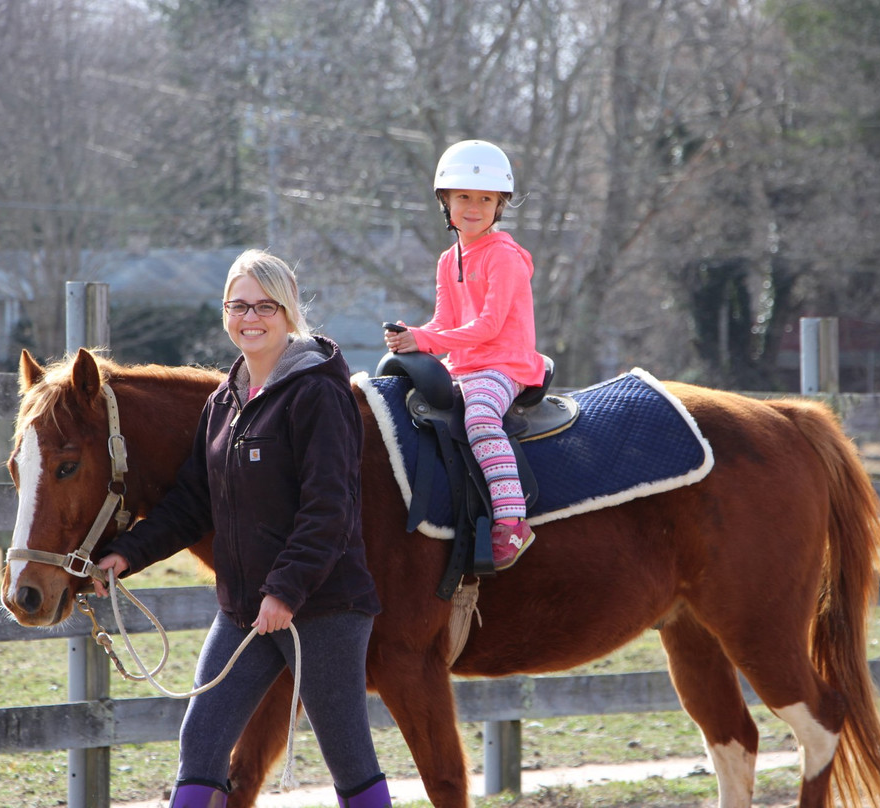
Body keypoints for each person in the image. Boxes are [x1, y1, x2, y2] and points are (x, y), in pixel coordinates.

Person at [94, 249, 390, 808]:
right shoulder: (222, 404)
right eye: (238, 306)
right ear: (224, 313)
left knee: (347, 755)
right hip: (243, 612)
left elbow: (329, 508)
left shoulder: (320, 393)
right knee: (199, 744)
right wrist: (128, 553)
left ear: (289, 311)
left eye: (264, 306)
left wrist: (286, 590)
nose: (249, 317)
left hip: (323, 608)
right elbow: (191, 503)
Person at [384, 139, 546, 571]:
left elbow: (490, 327)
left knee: (478, 418)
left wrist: (428, 342)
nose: (473, 207)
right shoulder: (447, 258)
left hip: (503, 364)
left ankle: (512, 520)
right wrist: (413, 337)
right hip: (464, 365)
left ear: (500, 205)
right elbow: (442, 322)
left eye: (485, 198)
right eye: (463, 197)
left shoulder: (504, 257)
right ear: (445, 202)